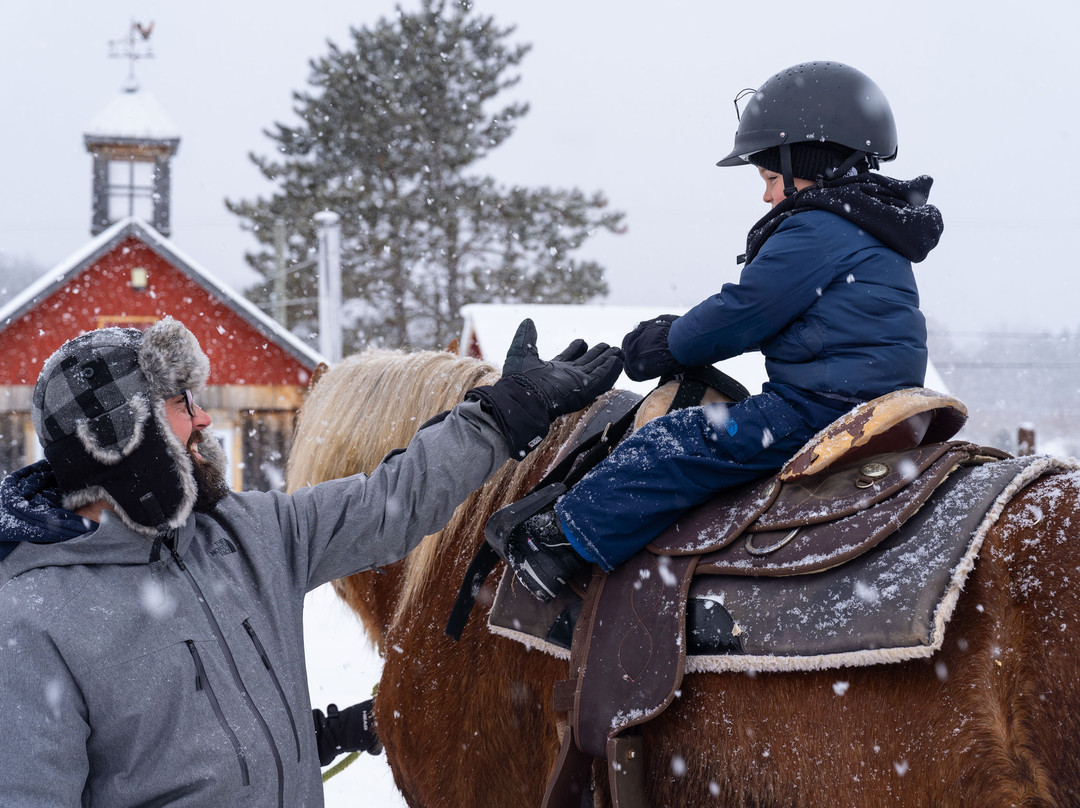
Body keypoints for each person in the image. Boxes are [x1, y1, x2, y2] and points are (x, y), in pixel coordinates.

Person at [0, 316, 622, 806]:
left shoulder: (241, 535)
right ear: (123, 435)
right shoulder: (31, 622)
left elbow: (392, 500)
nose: (203, 417)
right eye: (182, 402)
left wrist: (501, 414)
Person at [502, 61, 945, 602]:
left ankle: (564, 543)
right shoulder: (869, 229)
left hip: (819, 407)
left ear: (805, 163)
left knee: (673, 441)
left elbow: (746, 310)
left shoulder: (818, 228)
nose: (766, 197)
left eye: (769, 179)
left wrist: (669, 342)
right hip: (868, 396)